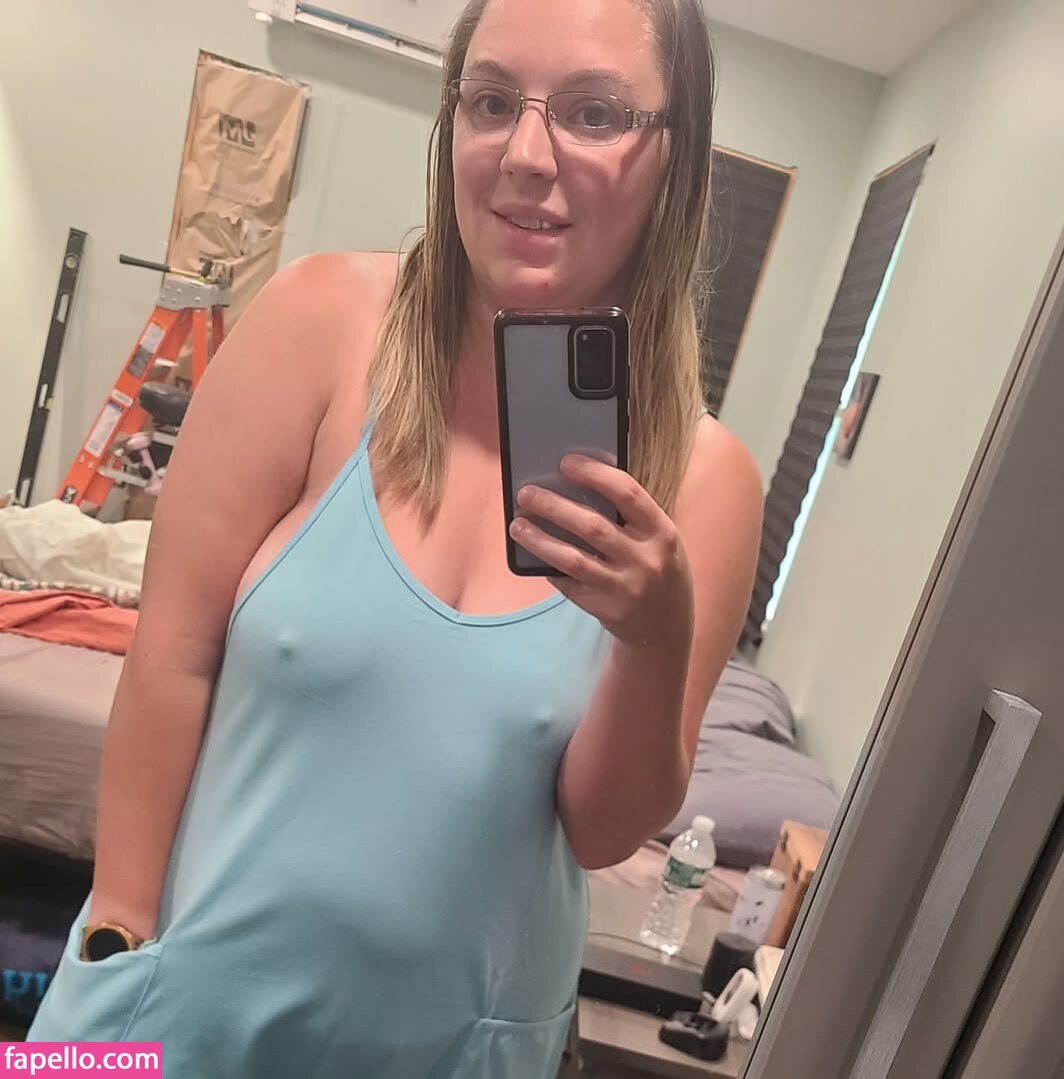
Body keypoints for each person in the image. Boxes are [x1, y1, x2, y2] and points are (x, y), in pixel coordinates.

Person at [28, 0, 763, 1074]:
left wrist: (653, 640)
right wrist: (115, 938)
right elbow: (172, 651)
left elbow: (602, 831)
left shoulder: (709, 482)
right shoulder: (319, 320)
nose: (525, 154)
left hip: (460, 1049)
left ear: (675, 153)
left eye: (594, 114)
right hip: (171, 999)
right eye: (492, 101)